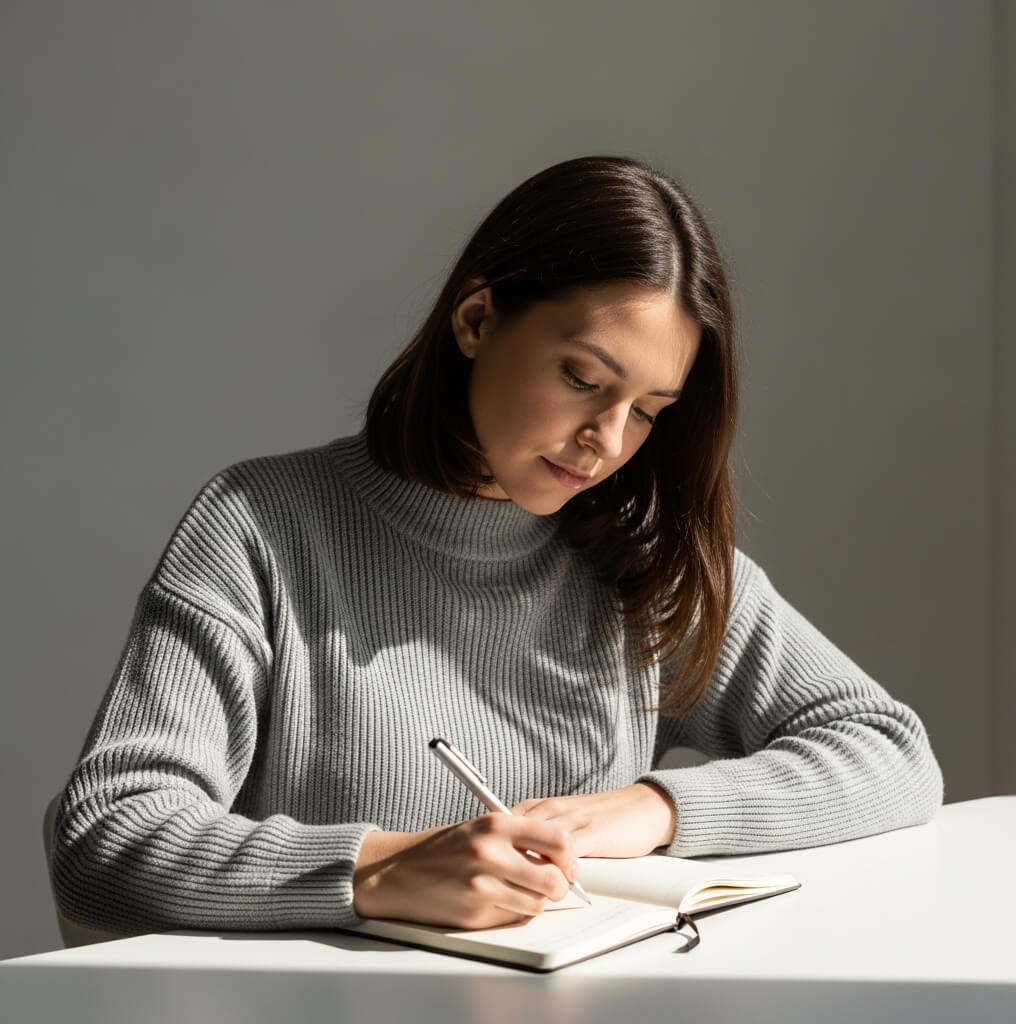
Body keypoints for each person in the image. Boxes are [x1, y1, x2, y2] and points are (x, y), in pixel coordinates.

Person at [51, 155, 942, 936]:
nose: (607, 439)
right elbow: (108, 833)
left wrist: (651, 808)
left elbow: (889, 750)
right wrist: (383, 871)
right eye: (583, 379)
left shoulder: (638, 560)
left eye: (648, 412)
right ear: (477, 321)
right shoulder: (262, 526)